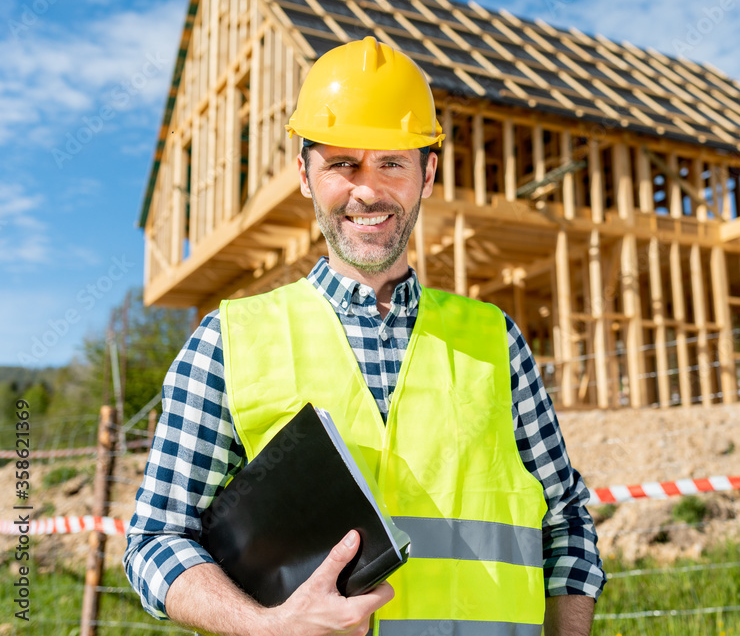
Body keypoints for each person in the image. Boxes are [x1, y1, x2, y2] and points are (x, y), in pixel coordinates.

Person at [124, 36, 605, 636]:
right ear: (304, 174)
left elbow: (566, 524)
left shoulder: (495, 341)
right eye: (341, 164)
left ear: (427, 174)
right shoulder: (229, 343)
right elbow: (155, 541)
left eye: (392, 162)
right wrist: (265, 624)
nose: (368, 189)